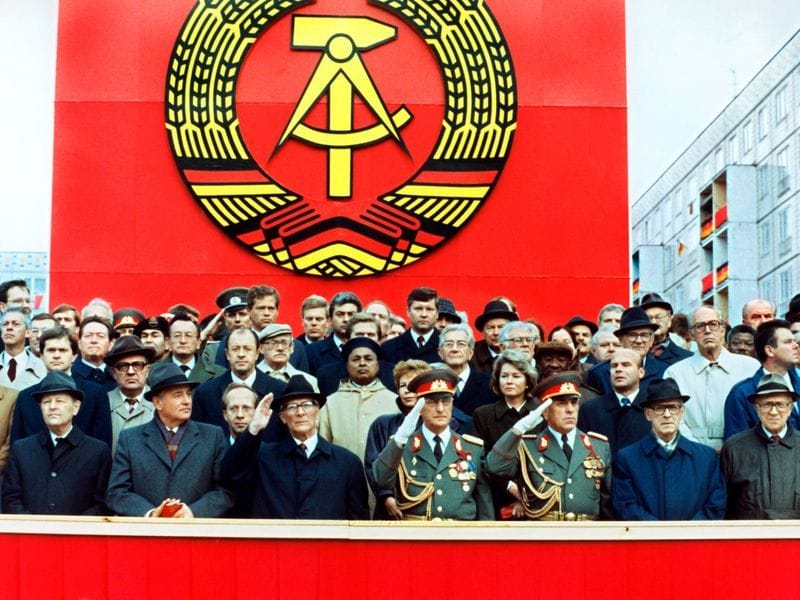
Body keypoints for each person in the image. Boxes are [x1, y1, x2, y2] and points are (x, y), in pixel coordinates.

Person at [222, 375, 369, 519]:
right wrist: (253, 428)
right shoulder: (263, 456)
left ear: (318, 411)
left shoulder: (347, 463)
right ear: (282, 417)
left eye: (307, 405)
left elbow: (359, 522)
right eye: (292, 406)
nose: (300, 412)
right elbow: (231, 472)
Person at [106, 362, 233, 517]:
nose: (187, 401)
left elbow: (225, 492)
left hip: (197, 534)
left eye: (188, 393)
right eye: (178, 395)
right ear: (158, 403)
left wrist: (194, 512)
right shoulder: (130, 439)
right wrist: (151, 513)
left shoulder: (213, 436)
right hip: (149, 536)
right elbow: (116, 493)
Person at [486, 372, 613, 520]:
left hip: (588, 535)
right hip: (543, 535)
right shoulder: (528, 446)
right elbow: (494, 467)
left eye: (574, 402)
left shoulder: (598, 446)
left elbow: (607, 503)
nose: (570, 409)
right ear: (545, 412)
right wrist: (517, 430)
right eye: (561, 403)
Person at [372, 369, 493, 520]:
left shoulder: (472, 448)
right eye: (431, 402)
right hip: (416, 536)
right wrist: (400, 438)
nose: (440, 409)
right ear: (419, 406)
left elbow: (484, 504)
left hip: (460, 535)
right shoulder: (402, 446)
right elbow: (381, 480)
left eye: (446, 401)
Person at [612, 378, 726, 520]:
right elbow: (626, 505)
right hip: (648, 540)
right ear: (648, 414)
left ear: (681, 412)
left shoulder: (706, 457)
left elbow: (716, 505)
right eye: (659, 408)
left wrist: (686, 535)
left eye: (673, 407)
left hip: (694, 540)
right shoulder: (627, 458)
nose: (667, 415)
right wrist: (660, 535)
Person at [3, 371, 111, 515]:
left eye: (60, 401)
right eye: (46, 402)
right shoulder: (22, 449)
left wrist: (72, 529)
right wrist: (34, 528)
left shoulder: (97, 451)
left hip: (78, 534)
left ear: (76, 407)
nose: (52, 406)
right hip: (31, 534)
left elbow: (103, 502)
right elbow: (10, 499)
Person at [664, 305, 759, 451]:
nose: (707, 330)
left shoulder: (750, 367)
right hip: (692, 453)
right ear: (692, 333)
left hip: (742, 452)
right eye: (700, 326)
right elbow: (673, 419)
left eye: (713, 324)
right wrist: (698, 451)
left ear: (722, 330)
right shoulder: (675, 373)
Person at [10, 326, 112, 447]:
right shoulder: (25, 397)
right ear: (41, 355)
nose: (56, 355)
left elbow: (102, 446)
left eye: (63, 350)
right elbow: (16, 446)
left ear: (74, 356)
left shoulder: (95, 393)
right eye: (51, 350)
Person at [470, 349, 538, 518]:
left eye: (516, 376)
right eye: (504, 376)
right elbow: (478, 461)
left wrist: (524, 495)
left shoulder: (540, 413)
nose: (509, 381)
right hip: (494, 497)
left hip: (537, 497)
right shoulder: (483, 414)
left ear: (527, 381)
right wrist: (509, 487)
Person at [722, 373, 800, 519]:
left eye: (780, 404)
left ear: (790, 408)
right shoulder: (734, 447)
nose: (773, 411)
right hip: (749, 537)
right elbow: (724, 502)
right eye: (767, 405)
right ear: (757, 409)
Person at [365, 360, 432, 519]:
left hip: (427, 510)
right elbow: (372, 465)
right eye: (402, 386)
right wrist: (386, 496)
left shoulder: (440, 424)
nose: (407, 390)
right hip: (389, 511)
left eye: (413, 385)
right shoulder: (382, 424)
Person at [191, 327, 286, 440]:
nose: (241, 354)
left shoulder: (279, 391)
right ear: (227, 354)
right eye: (235, 349)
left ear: (257, 352)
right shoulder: (206, 393)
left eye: (247, 349)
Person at [318, 338, 396, 459]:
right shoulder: (330, 403)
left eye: (368, 359)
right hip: (342, 474)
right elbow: (323, 445)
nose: (362, 363)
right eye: (355, 359)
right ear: (347, 365)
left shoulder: (394, 401)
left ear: (378, 364)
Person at [724, 319, 800, 440]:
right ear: (769, 350)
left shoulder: (798, 384)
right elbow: (736, 449)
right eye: (788, 342)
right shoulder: (742, 393)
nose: (796, 346)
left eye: (795, 342)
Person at [578, 348, 652, 458]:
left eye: (626, 365)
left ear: (641, 372)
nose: (618, 369)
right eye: (614, 366)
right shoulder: (590, 410)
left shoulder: (653, 408)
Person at [586, 306, 668, 397]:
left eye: (644, 335)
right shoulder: (599, 373)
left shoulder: (665, 370)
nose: (639, 341)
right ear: (620, 340)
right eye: (632, 335)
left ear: (652, 340)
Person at [105, 334, 157, 452]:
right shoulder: (103, 402)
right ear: (113, 372)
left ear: (147, 370)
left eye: (137, 365)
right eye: (123, 366)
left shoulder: (160, 403)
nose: (130, 372)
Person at [438, 323, 496, 416]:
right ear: (440, 352)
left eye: (461, 344)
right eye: (449, 344)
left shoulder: (489, 384)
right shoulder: (431, 382)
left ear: (470, 352)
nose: (455, 349)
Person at [380, 287, 441, 365]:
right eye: (418, 309)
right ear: (408, 311)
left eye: (429, 309)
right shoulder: (389, 348)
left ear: (437, 314)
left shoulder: (446, 346)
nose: (424, 314)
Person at [305, 291, 361, 375]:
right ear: (330, 319)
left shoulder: (369, 349)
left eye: (351, 314)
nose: (346, 319)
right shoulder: (311, 352)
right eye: (340, 314)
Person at [162, 312, 224, 383]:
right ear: (167, 342)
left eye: (188, 336)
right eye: (177, 335)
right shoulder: (153, 371)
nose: (183, 341)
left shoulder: (219, 373)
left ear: (198, 342)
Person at [257, 323, 318, 390]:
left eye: (284, 343)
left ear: (292, 348)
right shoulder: (250, 377)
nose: (280, 348)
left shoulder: (309, 381)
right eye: (273, 343)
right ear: (261, 348)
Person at [639, 292, 693, 366]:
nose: (654, 322)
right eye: (649, 318)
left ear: (669, 320)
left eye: (659, 317)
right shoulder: (635, 357)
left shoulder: (687, 358)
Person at [0, 308, 46, 390]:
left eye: (16, 324)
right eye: (5, 324)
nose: (9, 327)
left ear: (28, 332)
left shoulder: (42, 368)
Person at [471, 299, 518, 373]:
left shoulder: (520, 351)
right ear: (483, 331)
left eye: (501, 327)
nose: (496, 333)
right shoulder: (471, 355)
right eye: (491, 328)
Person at [72, 316, 117, 391]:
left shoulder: (117, 376)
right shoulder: (69, 377)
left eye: (100, 336)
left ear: (111, 344)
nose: (94, 340)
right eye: (88, 336)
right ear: (79, 343)